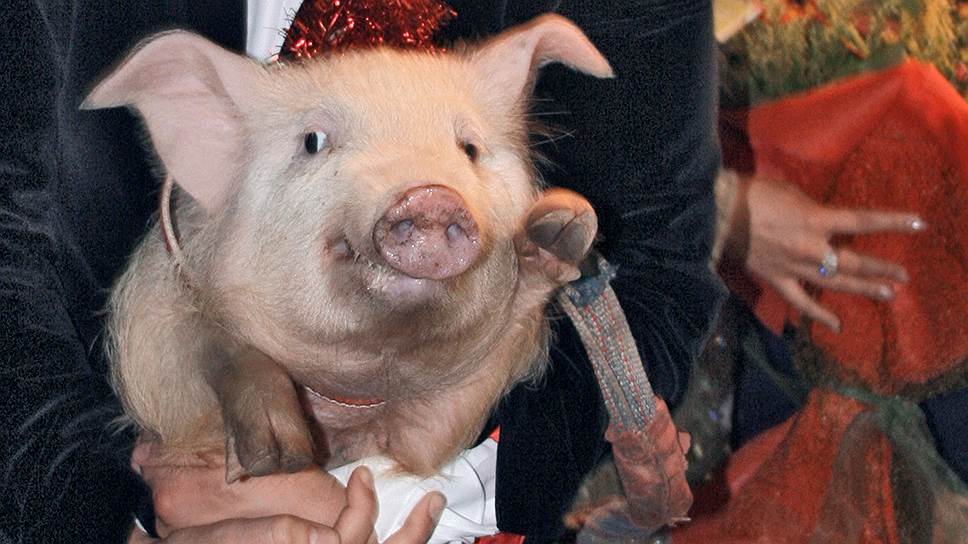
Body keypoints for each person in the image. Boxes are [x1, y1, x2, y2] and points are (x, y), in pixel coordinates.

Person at [0, 1, 725, 542]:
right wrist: (112, 520)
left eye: (470, 150)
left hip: (457, 463)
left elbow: (656, 264)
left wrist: (422, 504)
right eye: (319, 143)